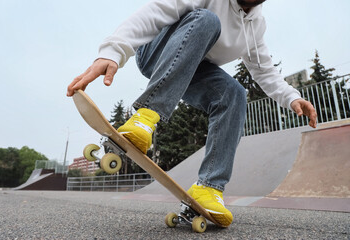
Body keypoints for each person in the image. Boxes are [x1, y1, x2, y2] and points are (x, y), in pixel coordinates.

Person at [67, 0, 317, 227]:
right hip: (157, 50)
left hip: (192, 69)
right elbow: (157, 10)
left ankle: (209, 187)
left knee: (233, 94)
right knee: (207, 20)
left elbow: (264, 70)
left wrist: (292, 97)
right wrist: (113, 51)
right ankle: (145, 117)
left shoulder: (256, 25)